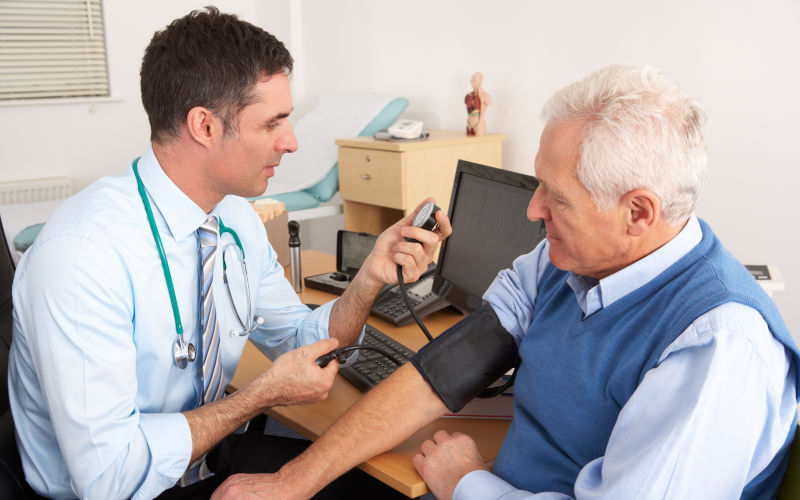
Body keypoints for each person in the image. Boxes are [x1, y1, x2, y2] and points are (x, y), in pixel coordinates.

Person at [212, 65, 800, 500]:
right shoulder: (563, 260)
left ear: (638, 214)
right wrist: (295, 481)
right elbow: (441, 372)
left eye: (557, 197)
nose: (532, 211)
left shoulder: (717, 348)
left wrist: (469, 483)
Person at [6, 7, 450, 500]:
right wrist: (260, 395)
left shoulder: (235, 221)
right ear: (204, 126)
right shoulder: (82, 257)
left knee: (376, 482)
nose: (292, 141)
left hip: (204, 457)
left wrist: (369, 279)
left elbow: (303, 343)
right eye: (272, 122)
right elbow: (108, 477)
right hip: (119, 488)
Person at [465, 72, 491, 136]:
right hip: (469, 123)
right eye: (471, 80)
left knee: (480, 143)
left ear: (480, 80)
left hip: (479, 123)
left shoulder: (485, 95)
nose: (472, 82)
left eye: (474, 80)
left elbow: (489, 102)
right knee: (468, 144)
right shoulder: (468, 96)